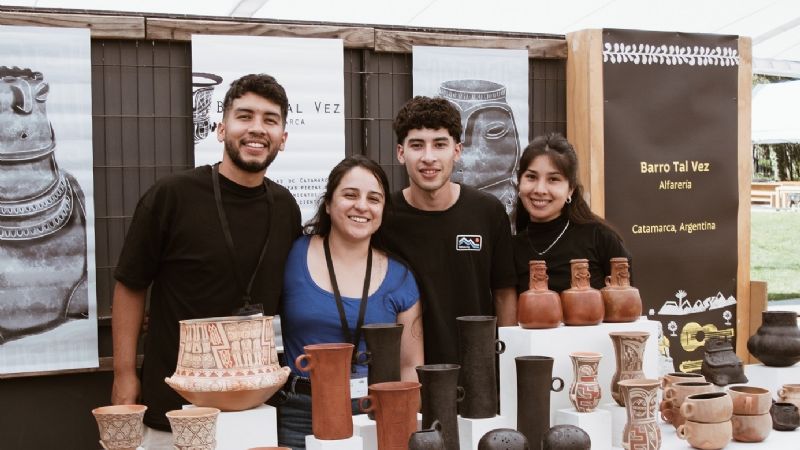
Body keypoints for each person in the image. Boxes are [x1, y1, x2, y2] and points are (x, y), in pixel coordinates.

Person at [110, 74, 301, 442]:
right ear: (220, 127)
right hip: (176, 408)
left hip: (256, 409)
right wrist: (123, 376)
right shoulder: (172, 196)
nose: (257, 129)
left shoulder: (285, 207)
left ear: (283, 137)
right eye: (244, 116)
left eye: (270, 120)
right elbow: (130, 285)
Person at [278, 155, 423, 448]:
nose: (361, 206)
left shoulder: (400, 276)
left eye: (374, 198)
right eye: (350, 195)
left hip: (373, 411)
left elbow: (410, 365)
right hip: (299, 412)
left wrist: (400, 421)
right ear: (329, 204)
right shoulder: (291, 256)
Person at [381, 96, 517, 366]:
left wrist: (507, 361)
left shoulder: (487, 212)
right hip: (409, 372)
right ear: (400, 152)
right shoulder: (385, 217)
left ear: (457, 151)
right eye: (417, 145)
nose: (428, 157)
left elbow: (504, 293)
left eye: (440, 145)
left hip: (480, 371)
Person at [512, 132, 631, 294]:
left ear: (571, 189)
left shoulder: (601, 239)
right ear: (519, 183)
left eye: (553, 179)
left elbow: (627, 307)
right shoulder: (511, 248)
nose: (540, 190)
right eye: (531, 177)